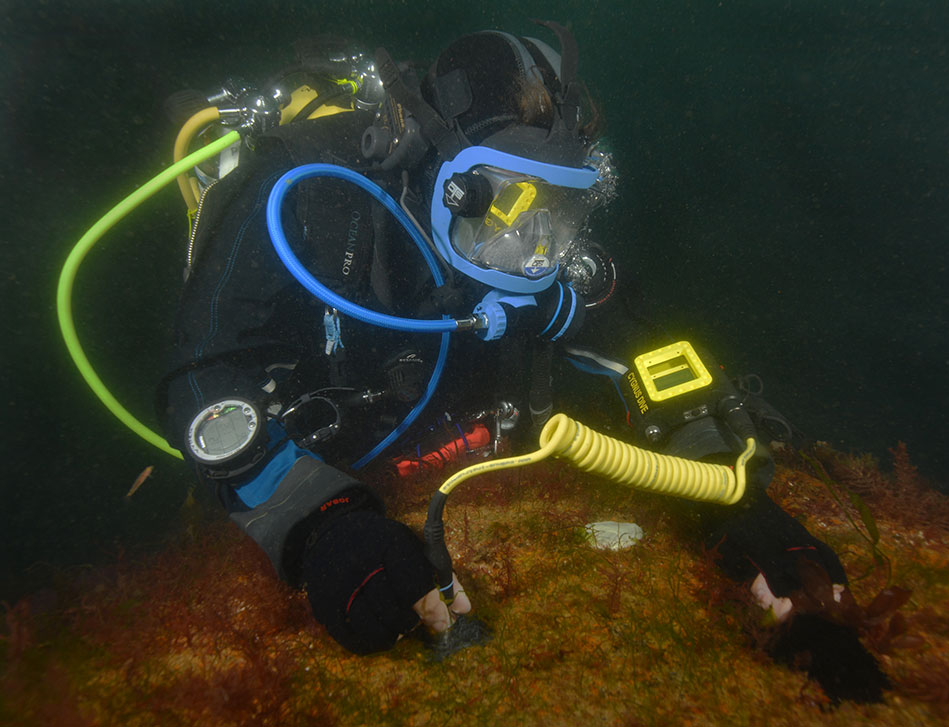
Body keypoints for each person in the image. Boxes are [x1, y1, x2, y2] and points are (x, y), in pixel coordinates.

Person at [156, 23, 886, 700]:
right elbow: (203, 373)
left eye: (560, 209)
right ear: (446, 172)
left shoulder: (530, 254)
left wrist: (732, 500)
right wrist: (318, 523)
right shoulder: (305, 194)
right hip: (329, 433)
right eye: (508, 198)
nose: (535, 245)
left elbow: (638, 346)